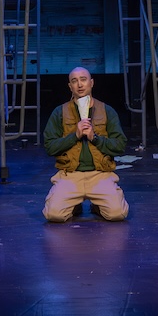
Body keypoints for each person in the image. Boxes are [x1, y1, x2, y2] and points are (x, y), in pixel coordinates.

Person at [42, 66, 129, 222]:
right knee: (54, 215)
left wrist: (94, 138)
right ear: (70, 86)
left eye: (83, 79)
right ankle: (74, 204)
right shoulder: (60, 112)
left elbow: (120, 145)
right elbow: (50, 146)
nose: (80, 84)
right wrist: (75, 136)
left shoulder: (106, 111)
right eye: (74, 81)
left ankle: (98, 205)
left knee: (117, 214)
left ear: (91, 82)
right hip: (70, 174)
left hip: (100, 174)